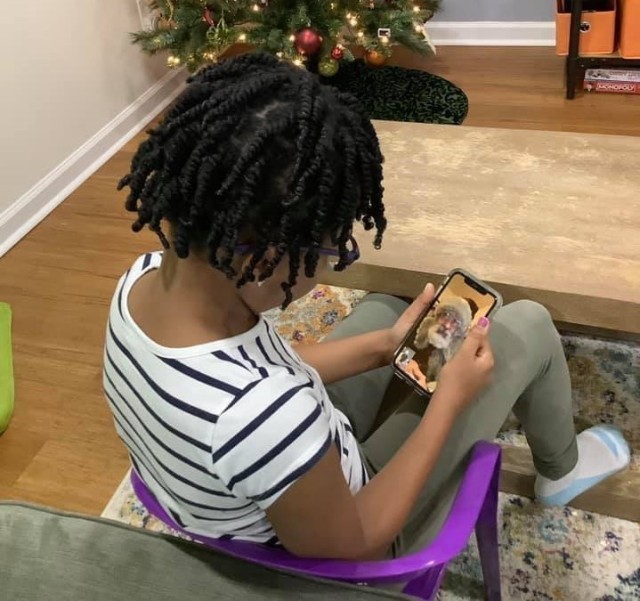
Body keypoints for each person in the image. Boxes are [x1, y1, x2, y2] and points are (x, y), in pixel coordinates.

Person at [104, 53, 631, 560]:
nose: (334, 263)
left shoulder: (141, 283)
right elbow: (358, 544)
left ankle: (391, 345)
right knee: (527, 324)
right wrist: (447, 404)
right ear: (268, 257)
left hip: (283, 475)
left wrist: (385, 347)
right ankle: (562, 469)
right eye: (333, 249)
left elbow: (267, 367)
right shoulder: (263, 415)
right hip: (359, 537)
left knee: (382, 308)